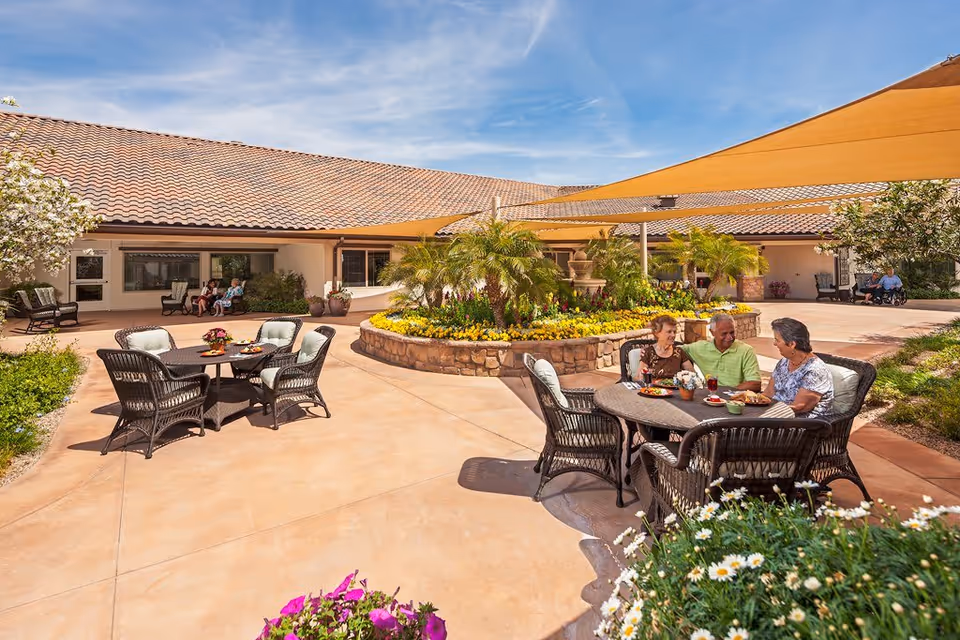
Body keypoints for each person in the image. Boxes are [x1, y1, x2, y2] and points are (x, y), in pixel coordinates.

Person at [763, 317, 834, 418]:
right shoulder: (784, 362)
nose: (774, 343)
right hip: (776, 415)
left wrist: (766, 413)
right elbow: (768, 393)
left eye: (777, 340)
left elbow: (799, 407)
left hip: (802, 422)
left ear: (792, 344)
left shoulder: (815, 370)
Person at [684, 313, 762, 391]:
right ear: (712, 332)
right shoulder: (701, 347)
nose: (729, 337)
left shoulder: (746, 351)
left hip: (735, 396)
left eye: (732, 332)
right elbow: (678, 349)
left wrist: (729, 392)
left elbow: (755, 383)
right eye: (724, 333)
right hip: (709, 396)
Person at [629, 314, 695, 380]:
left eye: (674, 332)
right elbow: (637, 377)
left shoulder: (679, 352)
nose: (673, 335)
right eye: (669, 332)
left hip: (675, 386)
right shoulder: (649, 352)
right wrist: (642, 378)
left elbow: (693, 376)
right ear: (657, 333)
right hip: (654, 386)